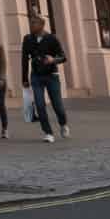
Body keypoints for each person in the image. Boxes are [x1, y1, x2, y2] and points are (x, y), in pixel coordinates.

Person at [19, 13, 68, 143]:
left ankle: (63, 123)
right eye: (31, 22)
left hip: (52, 75)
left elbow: (63, 57)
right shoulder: (28, 39)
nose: (31, 25)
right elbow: (24, 59)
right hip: (36, 75)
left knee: (57, 105)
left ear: (41, 24)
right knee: (39, 104)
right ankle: (48, 132)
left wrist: (53, 60)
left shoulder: (52, 38)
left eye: (34, 23)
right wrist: (24, 78)